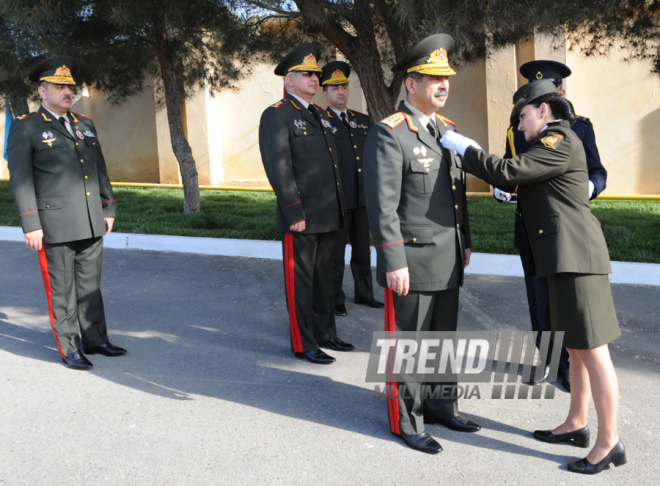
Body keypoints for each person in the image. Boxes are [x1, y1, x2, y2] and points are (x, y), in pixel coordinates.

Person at [441, 79, 625, 475]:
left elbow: (509, 170)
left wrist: (465, 148)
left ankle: (610, 442)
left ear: (544, 109)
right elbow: (535, 186)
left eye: (523, 116)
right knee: (575, 347)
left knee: (594, 352)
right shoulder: (549, 143)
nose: (520, 126)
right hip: (561, 258)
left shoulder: (559, 139)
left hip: (577, 259)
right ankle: (577, 422)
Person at [363, 34, 481, 455]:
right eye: (432, 77)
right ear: (410, 85)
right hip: (410, 262)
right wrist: (392, 260)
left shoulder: (447, 131)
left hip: (447, 257)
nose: (443, 84)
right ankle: (406, 421)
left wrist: (465, 239)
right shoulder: (390, 133)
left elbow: (455, 194)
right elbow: (383, 205)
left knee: (443, 340)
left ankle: (441, 406)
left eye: (445, 76)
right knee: (409, 345)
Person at [7, 55, 126, 370]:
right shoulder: (26, 128)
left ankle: (95, 339)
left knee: (90, 285)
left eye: (69, 87)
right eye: (59, 87)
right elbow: (21, 179)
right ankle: (70, 347)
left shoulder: (84, 125)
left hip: (90, 219)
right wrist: (30, 224)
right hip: (53, 223)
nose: (67, 92)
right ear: (42, 91)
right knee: (62, 288)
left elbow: (99, 170)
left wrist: (107, 206)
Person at [496, 60, 608, 391]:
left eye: (552, 88)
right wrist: (502, 189)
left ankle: (574, 366)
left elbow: (596, 170)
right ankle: (549, 363)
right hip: (530, 226)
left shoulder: (580, 127)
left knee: (567, 304)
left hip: (563, 229)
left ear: (558, 94)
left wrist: (589, 188)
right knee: (539, 300)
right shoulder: (517, 128)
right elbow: (510, 168)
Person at [258, 44, 354, 365]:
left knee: (325, 279)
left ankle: (326, 333)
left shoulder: (321, 116)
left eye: (316, 74)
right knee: (302, 282)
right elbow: (278, 167)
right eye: (307, 74)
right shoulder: (277, 116)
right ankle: (303, 342)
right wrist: (292, 210)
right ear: (289, 81)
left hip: (329, 212)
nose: (315, 79)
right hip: (301, 216)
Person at [319, 61, 383, 317]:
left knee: (362, 249)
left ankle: (365, 293)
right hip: (337, 199)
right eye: (334, 88)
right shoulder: (319, 121)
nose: (341, 92)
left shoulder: (363, 120)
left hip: (362, 197)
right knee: (335, 253)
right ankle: (335, 299)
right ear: (325, 93)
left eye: (343, 86)